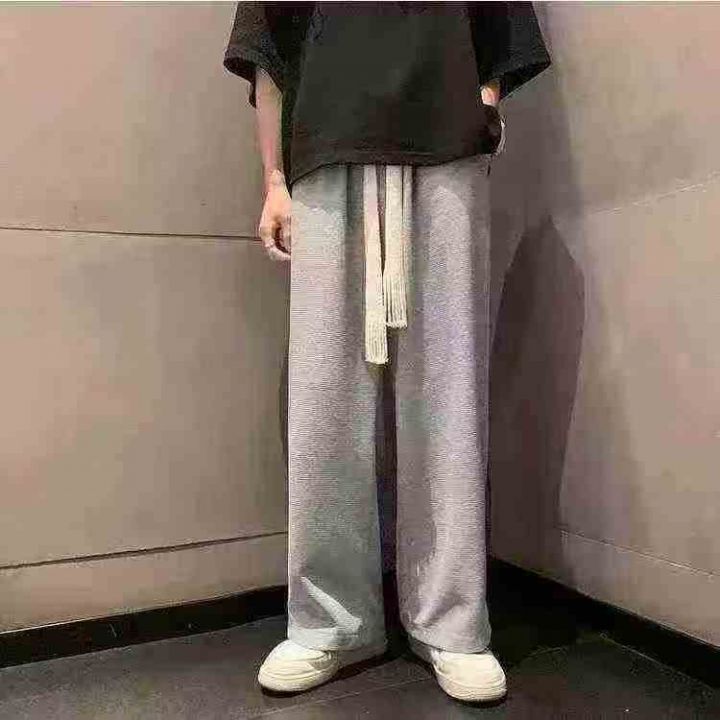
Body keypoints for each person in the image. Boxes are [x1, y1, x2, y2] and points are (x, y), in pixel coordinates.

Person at [224, 1, 550, 703]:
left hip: (445, 147)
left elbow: (498, 26)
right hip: (325, 150)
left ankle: (452, 622)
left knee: (447, 389)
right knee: (325, 399)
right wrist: (274, 179)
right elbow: (267, 44)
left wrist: (482, 108)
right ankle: (330, 622)